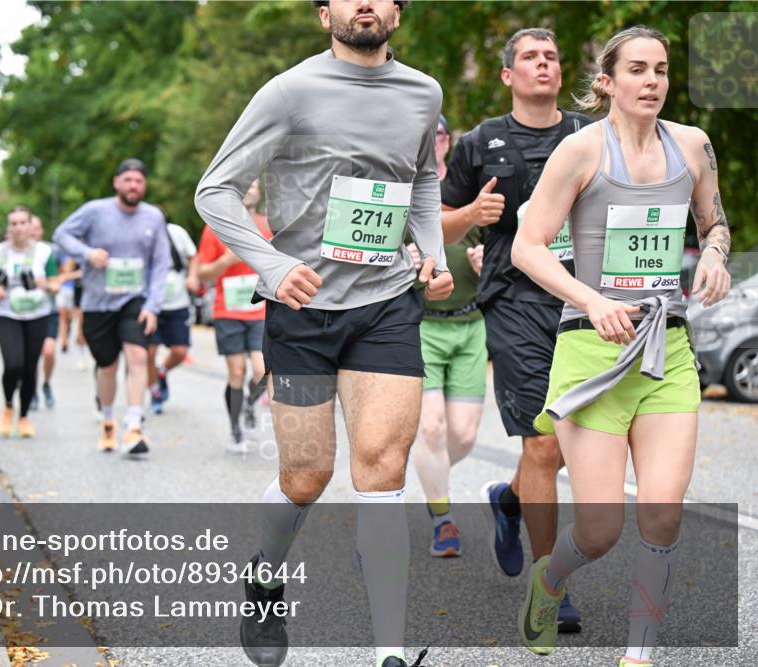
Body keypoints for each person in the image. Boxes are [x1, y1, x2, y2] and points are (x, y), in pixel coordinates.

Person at [195, 2, 452, 665]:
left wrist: (434, 255)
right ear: (324, 14)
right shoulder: (290, 92)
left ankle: (389, 653)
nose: (364, 2)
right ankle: (265, 577)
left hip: (386, 303)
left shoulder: (424, 93)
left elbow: (423, 179)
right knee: (306, 475)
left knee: (383, 468)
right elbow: (215, 190)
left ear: (398, 10)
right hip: (303, 314)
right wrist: (274, 265)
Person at [511, 26, 730, 664]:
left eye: (661, 70)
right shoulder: (580, 153)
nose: (652, 82)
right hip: (592, 352)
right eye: (636, 70)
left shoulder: (692, 145)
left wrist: (714, 255)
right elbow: (528, 247)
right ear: (607, 81)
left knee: (662, 514)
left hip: (667, 347)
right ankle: (548, 583)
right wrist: (591, 299)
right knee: (602, 530)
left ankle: (639, 655)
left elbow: (715, 221)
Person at [439, 27, 590, 630]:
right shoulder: (480, 142)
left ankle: (508, 498)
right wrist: (473, 215)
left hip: (585, 301)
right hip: (516, 300)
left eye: (552, 56)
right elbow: (440, 224)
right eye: (529, 57)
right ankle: (550, 587)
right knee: (544, 443)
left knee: (574, 445)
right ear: (508, 76)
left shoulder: (589, 135)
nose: (543, 64)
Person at [408, 114, 486, 558]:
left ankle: (428, 471)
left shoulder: (465, 190)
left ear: (448, 141)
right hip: (422, 324)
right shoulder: (405, 189)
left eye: (438, 134)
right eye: (425, 135)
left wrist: (483, 261)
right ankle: (443, 521)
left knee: (464, 435)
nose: (433, 142)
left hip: (470, 323)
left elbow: (496, 244)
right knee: (433, 429)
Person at [54, 158, 170, 457]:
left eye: (139, 181)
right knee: (107, 366)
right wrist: (87, 253)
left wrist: (153, 305)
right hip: (97, 303)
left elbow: (160, 263)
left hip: (135, 300)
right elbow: (61, 234)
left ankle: (133, 427)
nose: (133, 185)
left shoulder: (153, 217)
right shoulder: (95, 211)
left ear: (144, 186)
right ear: (117, 182)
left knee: (138, 356)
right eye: (128, 180)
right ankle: (108, 421)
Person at [195, 179, 272, 451]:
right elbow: (201, 274)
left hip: (260, 309)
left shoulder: (269, 225)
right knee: (236, 372)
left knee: (262, 371)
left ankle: (250, 406)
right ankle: (235, 429)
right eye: (244, 183)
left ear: (259, 191)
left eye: (254, 184)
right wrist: (225, 262)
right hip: (227, 310)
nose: (250, 188)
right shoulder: (216, 226)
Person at [0, 206, 60, 438]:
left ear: (31, 226)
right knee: (13, 364)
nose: (18, 227)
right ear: (9, 227)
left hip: (37, 315)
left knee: (29, 368)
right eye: (13, 224)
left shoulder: (44, 253)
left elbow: (56, 284)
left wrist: (47, 285)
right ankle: (7, 406)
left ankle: (23, 416)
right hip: (8, 314)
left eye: (22, 223)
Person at [147, 210, 200, 414]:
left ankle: (162, 371)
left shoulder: (176, 233)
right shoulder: (142, 234)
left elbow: (193, 257)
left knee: (180, 351)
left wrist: (192, 277)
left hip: (178, 302)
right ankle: (154, 393)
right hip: (151, 304)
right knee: (149, 351)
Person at [29, 215, 62, 410]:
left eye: (37, 228)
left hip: (48, 309)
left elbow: (58, 281)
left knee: (48, 351)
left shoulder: (51, 251)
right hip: (26, 312)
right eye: (30, 228)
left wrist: (48, 286)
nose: (33, 232)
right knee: (32, 355)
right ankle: (31, 390)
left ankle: (47, 383)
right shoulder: (15, 252)